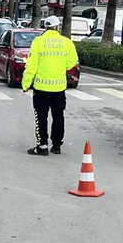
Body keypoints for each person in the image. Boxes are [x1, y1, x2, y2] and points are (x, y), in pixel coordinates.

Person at [21, 15, 79, 156]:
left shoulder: (38, 42)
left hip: (41, 88)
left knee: (41, 117)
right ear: (57, 27)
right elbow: (72, 62)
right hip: (59, 88)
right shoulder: (67, 42)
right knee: (58, 116)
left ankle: (42, 146)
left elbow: (31, 65)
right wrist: (60, 67)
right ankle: (57, 145)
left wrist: (26, 83)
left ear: (45, 27)